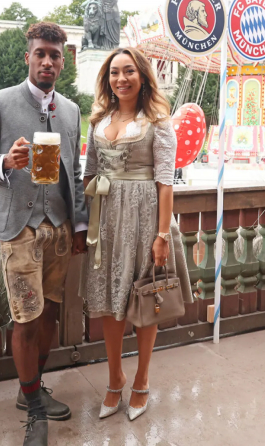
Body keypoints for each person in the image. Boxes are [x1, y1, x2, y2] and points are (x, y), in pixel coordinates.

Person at [0, 22, 88, 446]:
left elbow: (74, 173)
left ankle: (30, 388)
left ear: (63, 62)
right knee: (26, 318)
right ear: (28, 57)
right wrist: (4, 162)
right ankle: (35, 411)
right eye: (41, 53)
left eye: (55, 55)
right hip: (19, 229)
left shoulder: (70, 111)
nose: (47, 61)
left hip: (59, 228)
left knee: (49, 313)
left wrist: (79, 225)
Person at [82, 47, 193, 422]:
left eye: (129, 71)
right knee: (109, 299)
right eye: (114, 72)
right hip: (106, 219)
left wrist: (162, 235)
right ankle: (115, 379)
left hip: (146, 217)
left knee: (146, 298)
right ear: (107, 79)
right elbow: (89, 173)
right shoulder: (98, 120)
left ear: (143, 76)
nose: (121, 79)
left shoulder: (158, 122)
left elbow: (165, 183)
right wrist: (85, 222)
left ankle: (142, 380)